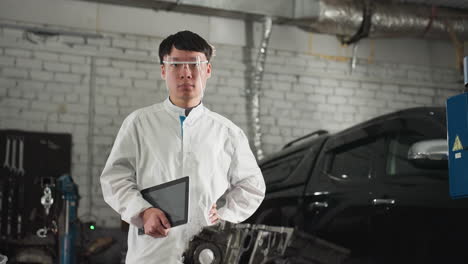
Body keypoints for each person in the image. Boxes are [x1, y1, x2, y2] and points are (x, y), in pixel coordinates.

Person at [100, 30, 266, 263]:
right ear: (163, 70)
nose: (185, 73)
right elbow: (114, 179)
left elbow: (252, 186)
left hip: (206, 252)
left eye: (194, 64)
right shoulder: (139, 124)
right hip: (151, 253)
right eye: (176, 65)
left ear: (207, 70)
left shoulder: (227, 133)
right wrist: (143, 212)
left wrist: (224, 218)